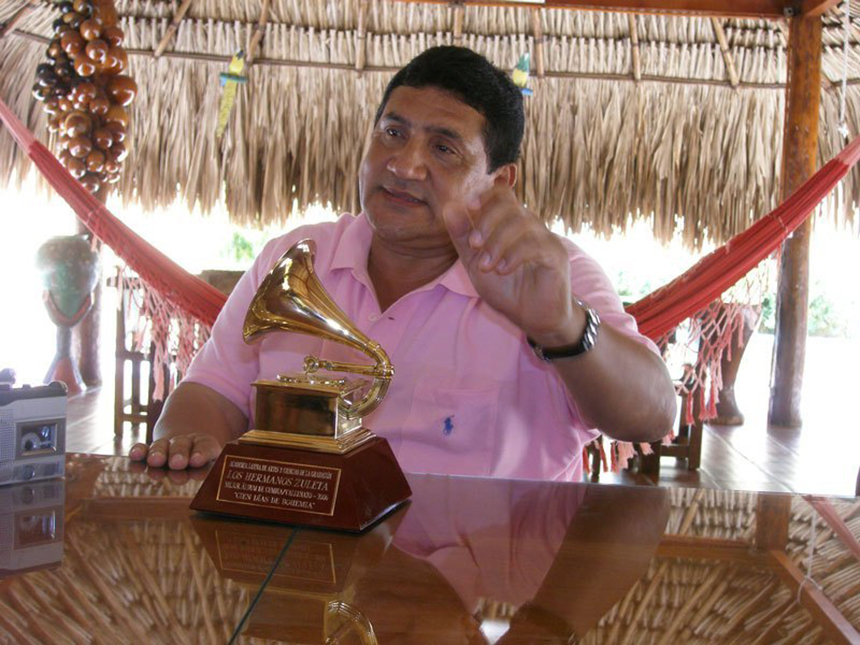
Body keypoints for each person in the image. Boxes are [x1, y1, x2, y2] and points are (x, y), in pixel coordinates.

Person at [130, 46, 676, 480]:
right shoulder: (295, 256)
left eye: (444, 149)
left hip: (484, 581)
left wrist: (563, 327)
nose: (405, 165)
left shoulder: (549, 274)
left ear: (500, 181)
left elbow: (653, 416)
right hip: (302, 565)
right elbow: (210, 392)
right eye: (393, 133)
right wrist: (188, 443)